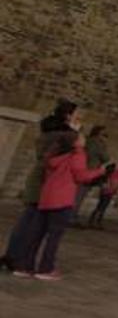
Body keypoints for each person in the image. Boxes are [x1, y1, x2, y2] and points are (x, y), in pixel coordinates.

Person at [12, 130, 110, 279]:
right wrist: (99, 171)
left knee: (36, 235)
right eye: (81, 138)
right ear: (75, 143)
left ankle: (24, 266)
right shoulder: (77, 155)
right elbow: (80, 176)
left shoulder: (54, 155)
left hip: (46, 197)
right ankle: (46, 269)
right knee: (54, 237)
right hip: (62, 199)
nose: (84, 140)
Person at [2, 100, 79, 271]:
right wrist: (75, 129)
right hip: (46, 183)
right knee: (33, 224)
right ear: (68, 116)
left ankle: (14, 255)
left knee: (27, 221)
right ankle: (18, 259)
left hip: (40, 180)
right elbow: (76, 144)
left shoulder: (48, 133)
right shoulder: (63, 137)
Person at [72, 124, 110, 221]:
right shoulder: (98, 144)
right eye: (104, 135)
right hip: (89, 171)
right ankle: (72, 216)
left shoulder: (87, 141)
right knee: (79, 195)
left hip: (80, 169)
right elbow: (106, 158)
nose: (106, 137)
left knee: (76, 194)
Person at [88, 158, 118, 228]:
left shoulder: (107, 174)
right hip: (108, 192)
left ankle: (93, 220)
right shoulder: (116, 174)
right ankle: (96, 221)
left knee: (100, 206)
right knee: (102, 207)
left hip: (105, 192)